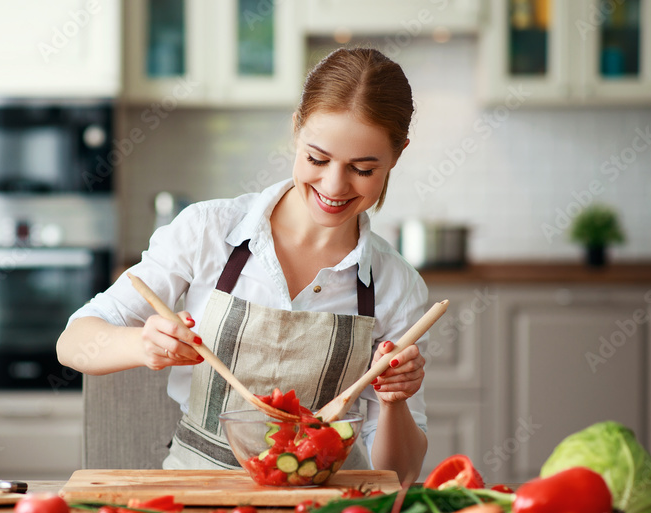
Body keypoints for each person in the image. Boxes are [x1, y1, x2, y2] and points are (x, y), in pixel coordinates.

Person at [57, 47, 429, 484]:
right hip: (199, 498)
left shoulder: (393, 283)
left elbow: (399, 475)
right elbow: (74, 341)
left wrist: (394, 400)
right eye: (317, 158)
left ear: (398, 154)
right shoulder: (207, 231)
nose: (333, 185)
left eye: (363, 169)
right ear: (296, 129)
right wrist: (144, 344)